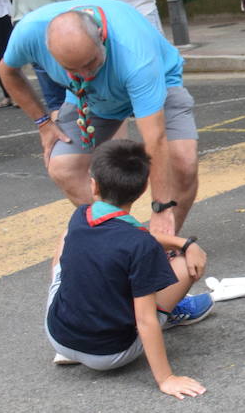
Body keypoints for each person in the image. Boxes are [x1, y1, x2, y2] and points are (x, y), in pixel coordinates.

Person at [0, 0, 199, 237]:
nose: (85, 73)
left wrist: (161, 207)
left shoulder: (133, 54)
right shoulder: (29, 33)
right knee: (63, 167)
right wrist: (43, 123)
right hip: (88, 98)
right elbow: (6, 71)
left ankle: (165, 242)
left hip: (159, 82)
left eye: (90, 62)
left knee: (183, 165)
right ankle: (124, 239)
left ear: (101, 36)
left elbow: (154, 139)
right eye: (72, 68)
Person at [44, 139, 211, 399]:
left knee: (68, 237)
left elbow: (133, 233)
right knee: (181, 264)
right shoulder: (140, 245)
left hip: (59, 335)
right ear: (143, 189)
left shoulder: (81, 216)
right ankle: (169, 315)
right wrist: (166, 378)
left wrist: (182, 241)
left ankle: (75, 328)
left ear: (94, 184)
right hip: (108, 354)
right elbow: (144, 320)